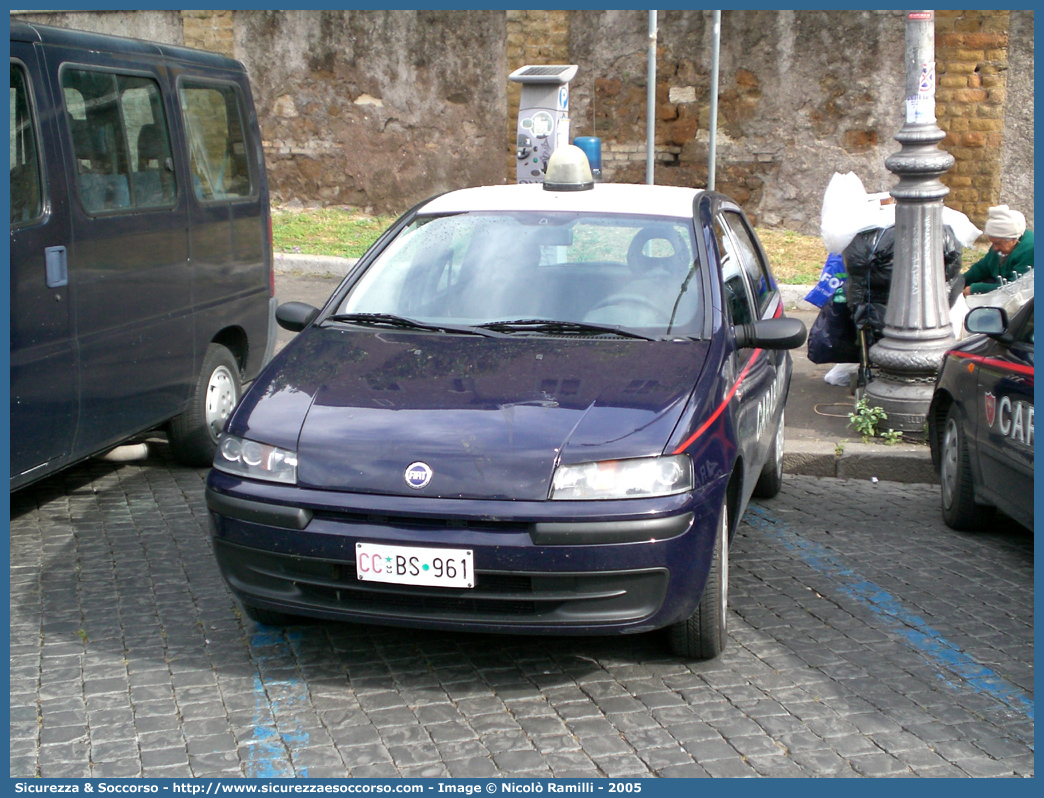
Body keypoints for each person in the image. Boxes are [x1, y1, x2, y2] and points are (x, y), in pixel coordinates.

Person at [962, 205, 1034, 295]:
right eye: (993, 243)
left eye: (998, 243)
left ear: (1013, 240)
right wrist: (960, 282)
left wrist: (975, 289)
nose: (995, 248)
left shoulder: (1030, 251)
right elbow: (982, 268)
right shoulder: (1002, 245)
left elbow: (1015, 288)